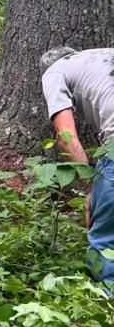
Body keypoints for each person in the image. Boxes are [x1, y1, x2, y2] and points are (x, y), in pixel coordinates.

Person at [41, 47, 114, 291]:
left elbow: (65, 137)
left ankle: (106, 313)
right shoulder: (103, 55)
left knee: (106, 241)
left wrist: (89, 189)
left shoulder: (54, 71)